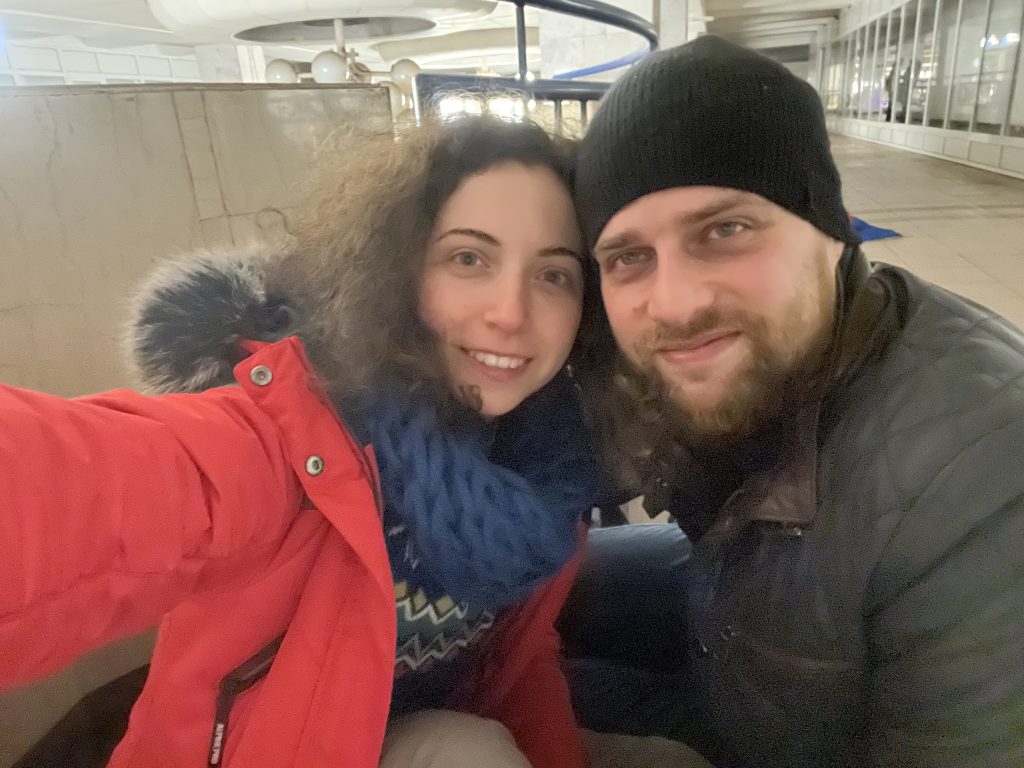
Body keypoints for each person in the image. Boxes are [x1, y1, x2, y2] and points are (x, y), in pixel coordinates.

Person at [0, 116, 600, 768]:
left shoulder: (551, 458)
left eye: (553, 275)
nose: (511, 313)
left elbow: (517, 661)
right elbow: (79, 483)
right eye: (468, 259)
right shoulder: (298, 434)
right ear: (396, 272)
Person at [561, 36, 1024, 768]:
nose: (675, 303)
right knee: (515, 627)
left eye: (726, 230)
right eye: (629, 256)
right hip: (745, 629)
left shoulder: (981, 486)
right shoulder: (807, 339)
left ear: (833, 233)